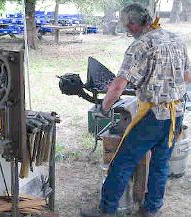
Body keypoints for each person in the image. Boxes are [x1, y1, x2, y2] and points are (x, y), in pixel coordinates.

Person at [81, 3, 191, 217]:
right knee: (161, 163)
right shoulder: (176, 38)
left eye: (125, 24)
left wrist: (104, 108)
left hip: (152, 117)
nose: (126, 28)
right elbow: (187, 77)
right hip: (176, 113)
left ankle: (107, 210)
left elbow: (118, 86)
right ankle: (152, 209)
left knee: (122, 162)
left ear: (132, 24)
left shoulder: (140, 45)